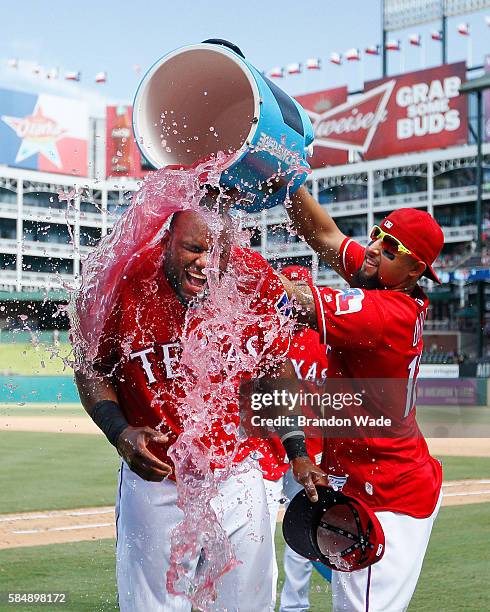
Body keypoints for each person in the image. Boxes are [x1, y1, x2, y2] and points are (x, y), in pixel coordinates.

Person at [74, 200, 292, 612]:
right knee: (150, 606)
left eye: (218, 254)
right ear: (167, 239)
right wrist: (119, 431)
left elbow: (274, 368)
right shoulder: (125, 281)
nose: (206, 264)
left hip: (236, 469)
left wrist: (296, 448)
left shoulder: (255, 279)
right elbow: (91, 368)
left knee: (249, 604)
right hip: (156, 474)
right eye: (193, 248)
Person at [278, 186, 444, 612]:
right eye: (375, 235)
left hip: (388, 498)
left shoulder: (388, 313)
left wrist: (221, 254)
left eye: (390, 248)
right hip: (379, 478)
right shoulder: (380, 278)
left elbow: (295, 300)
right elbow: (325, 233)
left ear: (414, 269)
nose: (373, 249)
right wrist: (284, 174)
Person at [277, 265, 328, 612]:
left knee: (298, 535)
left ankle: (292, 606)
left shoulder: (322, 340)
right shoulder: (265, 332)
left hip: (296, 450)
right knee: (300, 534)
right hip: (279, 449)